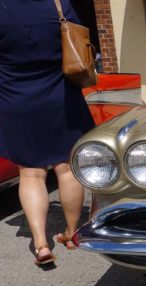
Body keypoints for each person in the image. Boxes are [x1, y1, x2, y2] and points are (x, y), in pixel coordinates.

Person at [0, 1, 95, 265]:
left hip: (15, 99)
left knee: (30, 172)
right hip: (60, 95)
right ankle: (73, 232)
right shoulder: (58, 4)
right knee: (66, 167)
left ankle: (41, 244)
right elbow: (80, 36)